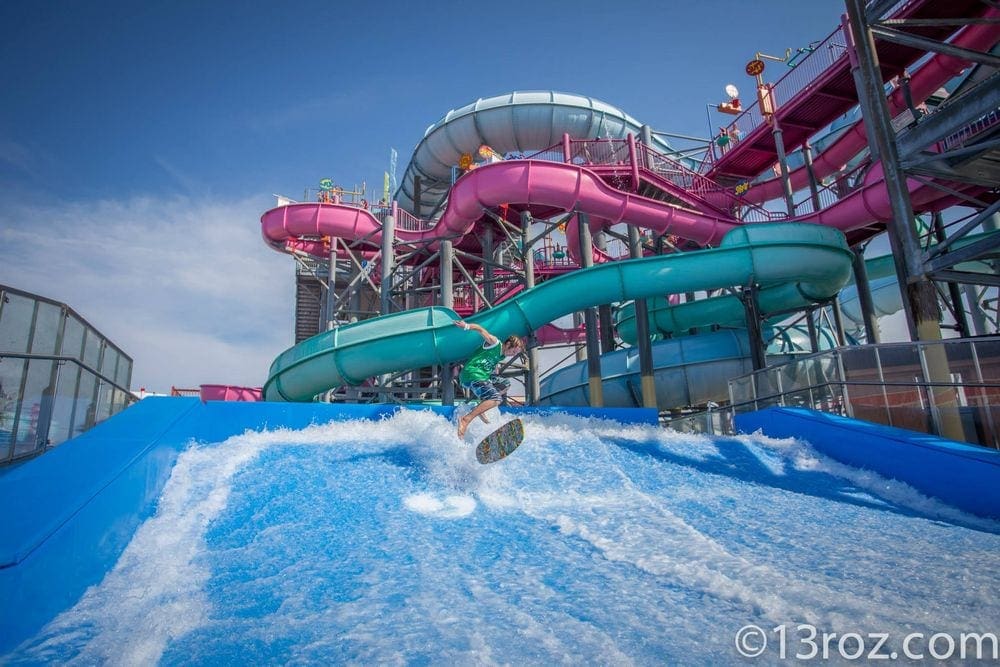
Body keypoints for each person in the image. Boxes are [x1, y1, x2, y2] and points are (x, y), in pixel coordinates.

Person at [453, 320, 524, 437]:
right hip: (472, 374)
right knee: (496, 399)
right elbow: (480, 329)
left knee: (505, 384)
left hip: (481, 377)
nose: (513, 354)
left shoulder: (501, 355)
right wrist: (466, 326)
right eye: (514, 351)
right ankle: (466, 419)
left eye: (516, 353)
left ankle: (483, 405)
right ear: (508, 344)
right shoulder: (494, 343)